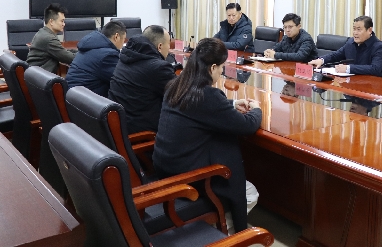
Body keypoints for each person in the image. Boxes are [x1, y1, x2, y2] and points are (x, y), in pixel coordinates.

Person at [153, 37, 262, 233]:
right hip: (189, 177)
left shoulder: (176, 85)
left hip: (165, 169)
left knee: (221, 143)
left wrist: (230, 104)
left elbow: (200, 111)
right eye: (221, 68)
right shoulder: (207, 95)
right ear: (212, 68)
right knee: (250, 193)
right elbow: (247, 126)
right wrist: (256, 110)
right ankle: (215, 230)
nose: (221, 72)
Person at [108, 25, 175, 134]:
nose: (169, 48)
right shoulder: (159, 68)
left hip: (122, 123)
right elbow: (181, 95)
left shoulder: (126, 56)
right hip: (142, 130)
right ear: (160, 46)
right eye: (169, 44)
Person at [309, 16, 382, 76]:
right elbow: (336, 55)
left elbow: (375, 69)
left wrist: (348, 68)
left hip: (372, 87)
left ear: (369, 30)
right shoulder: (350, 42)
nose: (355, 33)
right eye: (354, 29)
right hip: (352, 83)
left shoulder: (378, 47)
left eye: (359, 29)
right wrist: (321, 60)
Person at [66, 21, 126, 97]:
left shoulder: (91, 45)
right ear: (116, 37)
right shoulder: (108, 55)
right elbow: (122, 80)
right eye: (124, 39)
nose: (123, 44)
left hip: (73, 96)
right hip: (84, 99)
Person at [27, 3, 76, 73]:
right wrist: (87, 55)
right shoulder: (49, 38)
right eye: (62, 21)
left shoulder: (43, 32)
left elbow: (63, 51)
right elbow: (70, 58)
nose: (64, 24)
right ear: (52, 21)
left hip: (35, 75)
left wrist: (79, 52)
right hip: (40, 77)